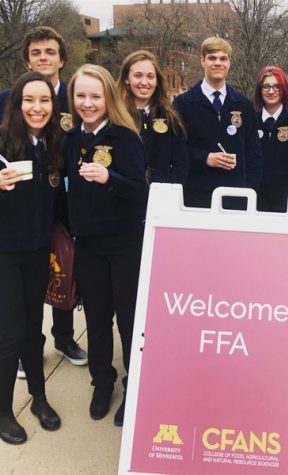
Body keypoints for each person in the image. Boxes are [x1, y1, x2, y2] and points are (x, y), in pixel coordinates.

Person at [65, 64, 148, 426]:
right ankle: (103, 382)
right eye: (81, 96)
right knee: (97, 321)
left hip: (125, 244)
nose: (88, 103)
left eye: (95, 96)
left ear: (108, 97)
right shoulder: (70, 140)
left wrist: (109, 177)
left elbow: (141, 193)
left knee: (129, 322)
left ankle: (134, 386)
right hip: (88, 246)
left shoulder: (125, 138)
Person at [0, 26, 87, 374]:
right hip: (21, 202)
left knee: (65, 267)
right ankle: (25, 348)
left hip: (66, 198)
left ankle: (64, 337)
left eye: (50, 52)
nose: (43, 58)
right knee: (27, 282)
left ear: (62, 59)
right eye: (36, 53)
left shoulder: (76, 98)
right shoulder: (8, 99)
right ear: (27, 60)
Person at [0, 71, 63, 444]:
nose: (36, 108)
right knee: (9, 334)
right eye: (29, 100)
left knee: (32, 331)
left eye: (44, 101)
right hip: (5, 252)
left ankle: (38, 398)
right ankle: (4, 411)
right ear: (17, 103)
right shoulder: (4, 141)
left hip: (39, 251)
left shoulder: (55, 144)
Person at [173, 37, 262, 209]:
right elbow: (176, 150)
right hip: (196, 199)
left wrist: (249, 192)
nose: (218, 63)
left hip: (235, 199)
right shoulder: (183, 104)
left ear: (229, 62)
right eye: (212, 58)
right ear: (202, 60)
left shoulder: (243, 105)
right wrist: (205, 158)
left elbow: (254, 155)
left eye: (223, 58)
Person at [117, 50, 188, 185]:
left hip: (161, 199)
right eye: (138, 76)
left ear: (157, 81)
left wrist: (169, 192)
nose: (144, 82)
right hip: (124, 199)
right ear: (127, 78)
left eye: (150, 76)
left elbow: (181, 164)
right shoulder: (116, 116)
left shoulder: (170, 117)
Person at [252, 65, 288, 212]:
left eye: (276, 86)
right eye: (266, 86)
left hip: (287, 198)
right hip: (256, 197)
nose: (271, 91)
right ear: (259, 89)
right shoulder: (251, 119)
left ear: (284, 90)